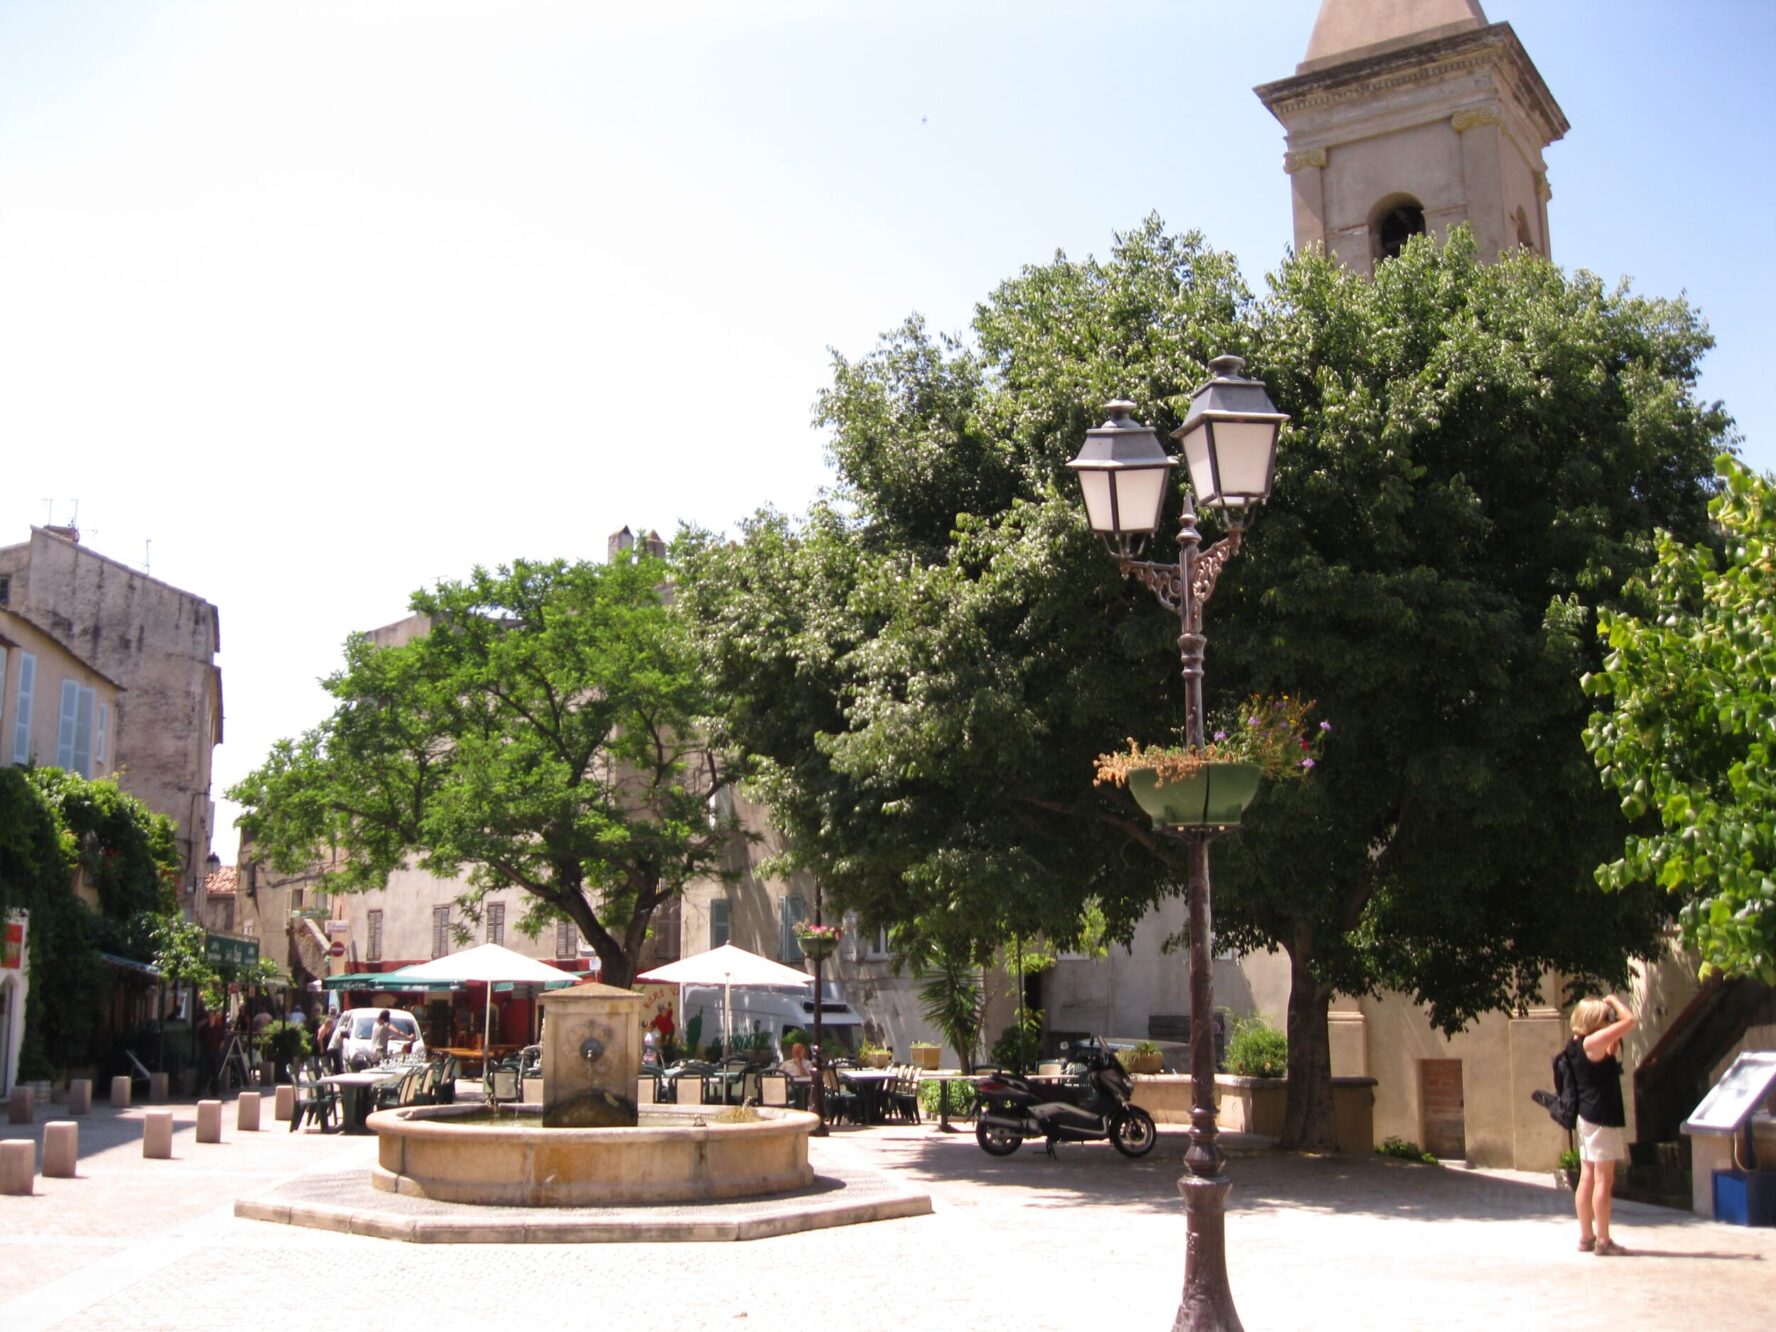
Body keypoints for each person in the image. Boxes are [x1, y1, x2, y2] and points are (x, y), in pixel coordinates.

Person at [1568, 994, 1637, 1256]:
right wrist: (1614, 1001)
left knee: (1587, 1177)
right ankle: (1603, 1240)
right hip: (1601, 1118)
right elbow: (1630, 1020)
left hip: (1586, 1116)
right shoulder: (1593, 1041)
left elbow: (1606, 1057)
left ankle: (1587, 1235)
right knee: (1603, 1180)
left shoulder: (1575, 1043)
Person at [197, 1010, 226, 1097]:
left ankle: (215, 1091)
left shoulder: (218, 1028)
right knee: (202, 1071)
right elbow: (200, 1037)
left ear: (214, 1017)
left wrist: (219, 1049)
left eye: (212, 1016)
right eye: (209, 1016)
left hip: (215, 1051)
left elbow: (222, 1040)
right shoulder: (204, 1028)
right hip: (205, 1051)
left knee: (215, 1072)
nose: (211, 1018)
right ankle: (198, 1090)